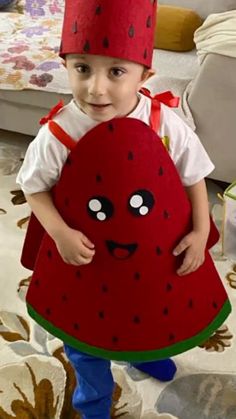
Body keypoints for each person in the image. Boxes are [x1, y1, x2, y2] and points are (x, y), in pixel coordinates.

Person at [16, 0, 231, 418]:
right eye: (82, 68)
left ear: (144, 75)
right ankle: (93, 400)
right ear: (67, 66)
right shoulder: (58, 133)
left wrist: (201, 231)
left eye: (116, 71)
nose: (96, 88)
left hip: (151, 256)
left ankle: (143, 353)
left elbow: (194, 176)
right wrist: (59, 232)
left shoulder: (164, 121)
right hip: (83, 259)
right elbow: (34, 188)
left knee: (146, 306)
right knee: (83, 339)